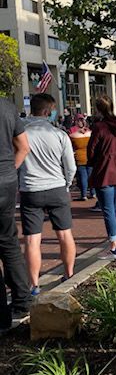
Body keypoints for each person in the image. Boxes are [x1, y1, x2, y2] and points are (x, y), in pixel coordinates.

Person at [18, 94, 77, 293]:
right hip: (56, 188)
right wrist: (66, 185)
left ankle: (33, 284)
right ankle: (69, 274)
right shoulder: (59, 134)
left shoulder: (22, 133)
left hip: (30, 189)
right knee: (64, 233)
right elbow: (70, 167)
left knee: (31, 239)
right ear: (48, 111)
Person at [0, 96, 31, 332]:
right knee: (9, 241)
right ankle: (22, 300)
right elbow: (23, 147)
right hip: (6, 182)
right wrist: (9, 172)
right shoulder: (7, 106)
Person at [87, 95, 116, 259]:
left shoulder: (99, 127)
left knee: (108, 209)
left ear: (97, 109)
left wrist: (93, 160)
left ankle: (113, 246)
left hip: (104, 171)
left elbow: (91, 151)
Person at [69, 115, 96, 200]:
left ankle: (84, 194)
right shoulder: (89, 132)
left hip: (79, 156)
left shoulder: (72, 131)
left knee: (83, 176)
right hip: (89, 156)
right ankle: (93, 193)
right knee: (91, 175)